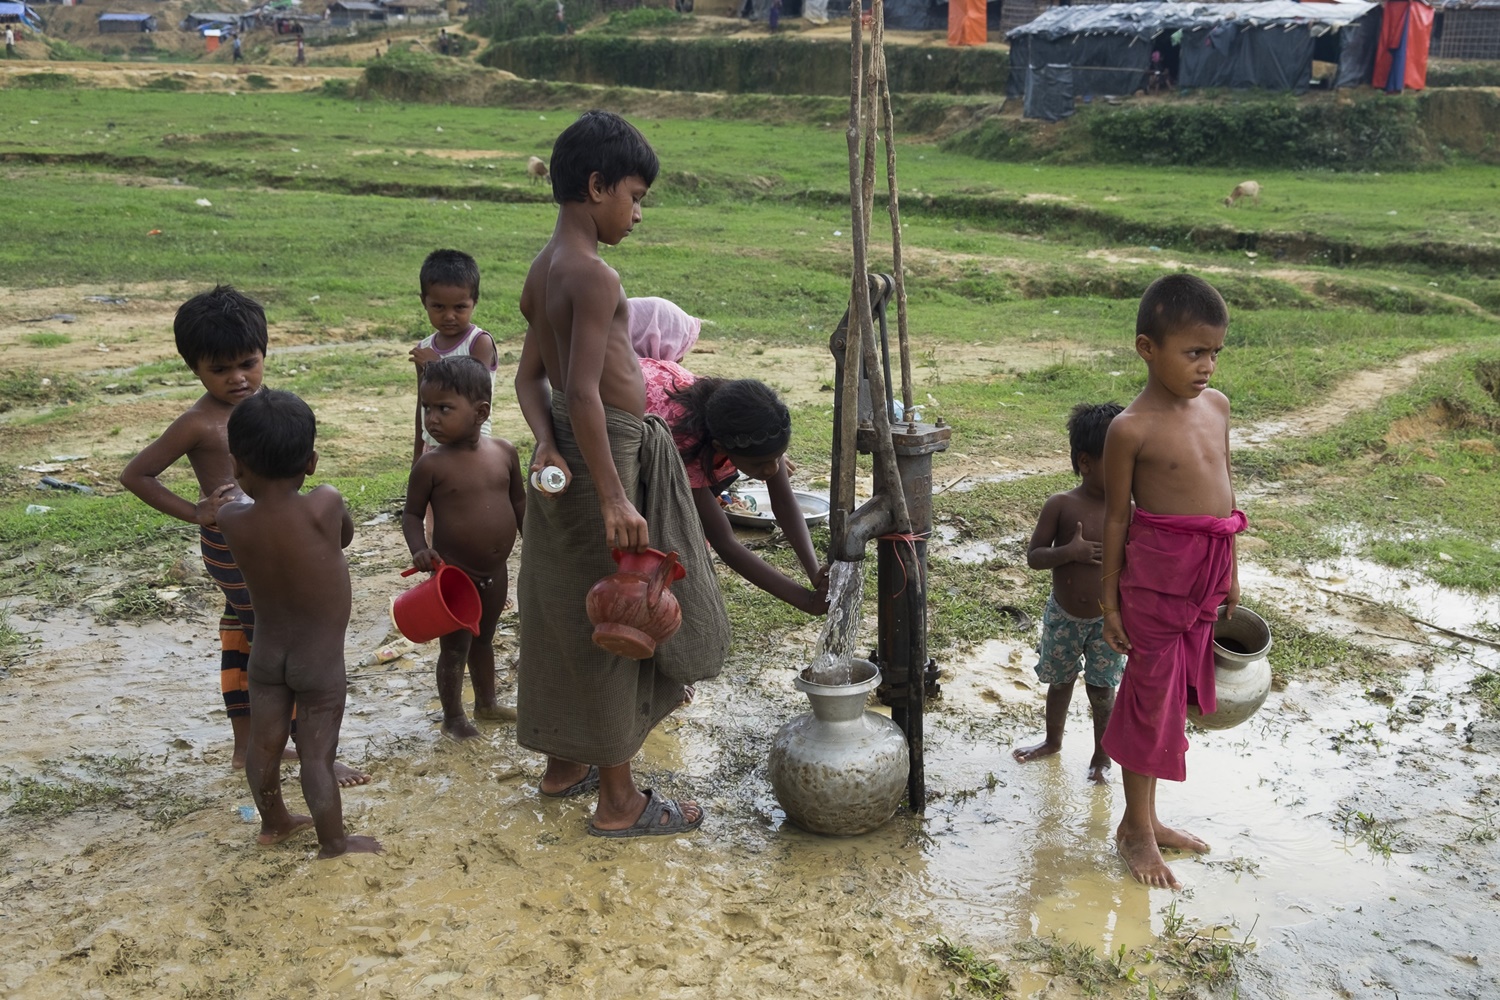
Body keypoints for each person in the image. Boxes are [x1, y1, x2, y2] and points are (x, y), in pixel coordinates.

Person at [514, 110, 729, 838]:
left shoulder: (540, 274)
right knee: (620, 606)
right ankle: (619, 801)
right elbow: (580, 392)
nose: (636, 214)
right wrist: (611, 494)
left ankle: (564, 762)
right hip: (607, 452)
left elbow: (527, 383)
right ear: (595, 186)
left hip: (568, 455)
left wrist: (544, 446)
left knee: (567, 603)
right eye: (633, 197)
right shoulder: (595, 276)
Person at [120, 286, 368, 786]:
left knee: (241, 636)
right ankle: (307, 747)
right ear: (194, 368)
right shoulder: (199, 424)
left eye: (248, 364)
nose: (238, 378)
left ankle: (243, 744)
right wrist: (196, 511)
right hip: (235, 548)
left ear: (264, 353)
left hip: (268, 541)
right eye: (220, 369)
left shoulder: (267, 409)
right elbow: (136, 475)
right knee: (279, 642)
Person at [1098, 274, 1245, 890]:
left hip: (1206, 574)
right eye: (1193, 352)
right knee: (1148, 703)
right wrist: (1108, 602)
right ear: (1146, 348)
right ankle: (1134, 829)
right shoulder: (1130, 429)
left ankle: (1148, 819)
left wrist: (1232, 566)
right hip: (1156, 583)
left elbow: (1227, 489)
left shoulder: (1218, 407)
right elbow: (1116, 519)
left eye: (1215, 352)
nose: (1207, 366)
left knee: (1173, 703)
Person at [215, 390, 381, 860]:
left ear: (236, 465)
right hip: (319, 664)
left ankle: (275, 823)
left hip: (266, 656)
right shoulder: (324, 503)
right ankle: (334, 842)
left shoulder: (232, 519)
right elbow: (344, 536)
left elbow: (225, 509)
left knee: (263, 748)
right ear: (310, 462)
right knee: (317, 756)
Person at [630, 298, 826, 614]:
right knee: (676, 522)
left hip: (666, 399)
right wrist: (804, 600)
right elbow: (725, 542)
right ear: (720, 448)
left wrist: (815, 573)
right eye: (761, 464)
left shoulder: (755, 425)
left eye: (777, 457)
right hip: (619, 403)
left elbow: (785, 503)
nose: (773, 468)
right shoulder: (685, 447)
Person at [402, 356, 525, 742]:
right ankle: (453, 716)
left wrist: (532, 537)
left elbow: (519, 503)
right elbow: (410, 514)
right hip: (454, 577)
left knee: (484, 640)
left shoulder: (504, 452)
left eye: (443, 408)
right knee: (455, 649)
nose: (431, 418)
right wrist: (419, 548)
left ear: (480, 412)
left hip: (496, 571)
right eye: (426, 408)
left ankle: (486, 703)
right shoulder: (431, 465)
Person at [1012, 402, 1125, 783]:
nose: (1128, 469)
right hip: (1063, 616)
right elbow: (1034, 557)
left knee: (1102, 690)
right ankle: (1052, 741)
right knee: (1060, 682)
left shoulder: (1128, 511)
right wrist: (1069, 553)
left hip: (1108, 621)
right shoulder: (1061, 505)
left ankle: (1101, 757)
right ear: (1086, 462)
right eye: (1118, 460)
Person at [409, 249, 498, 467]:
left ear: (474, 302)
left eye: (459, 307)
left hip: (471, 446)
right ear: (424, 302)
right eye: (438, 307)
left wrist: (436, 365)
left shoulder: (479, 342)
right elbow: (423, 404)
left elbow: (473, 390)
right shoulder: (425, 348)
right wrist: (418, 455)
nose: (449, 316)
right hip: (434, 445)